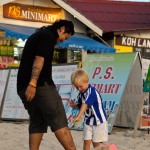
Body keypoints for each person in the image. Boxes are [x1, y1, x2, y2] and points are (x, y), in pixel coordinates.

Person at [17, 19, 76, 150]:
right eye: (65, 36)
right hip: (40, 86)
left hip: (22, 87)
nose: (63, 40)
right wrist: (33, 84)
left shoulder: (38, 35)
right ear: (61, 29)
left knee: (37, 121)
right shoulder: (48, 36)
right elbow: (39, 59)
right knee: (59, 118)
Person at [69, 69, 108, 150]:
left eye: (81, 86)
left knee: (96, 143)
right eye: (76, 87)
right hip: (88, 120)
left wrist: (78, 116)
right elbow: (81, 106)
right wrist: (74, 106)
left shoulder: (92, 92)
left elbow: (85, 104)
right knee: (86, 141)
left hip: (99, 121)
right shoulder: (81, 94)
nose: (79, 89)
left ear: (87, 82)